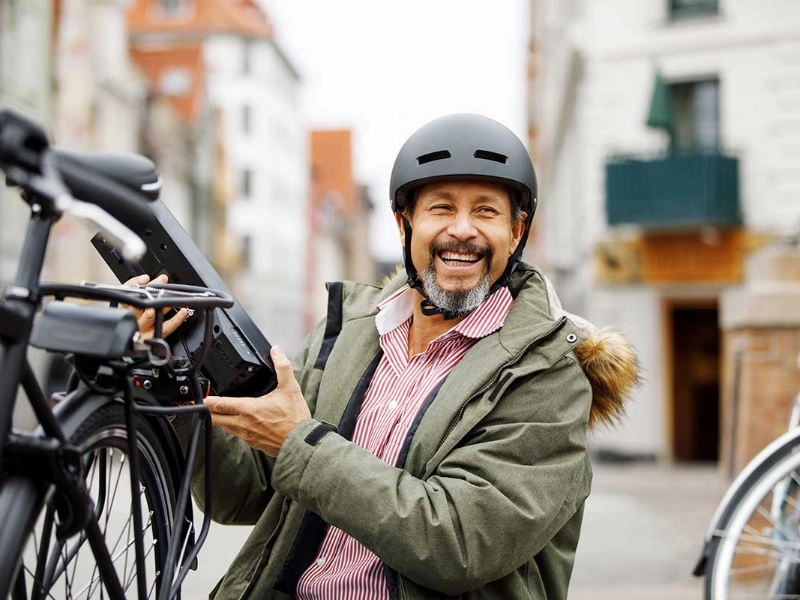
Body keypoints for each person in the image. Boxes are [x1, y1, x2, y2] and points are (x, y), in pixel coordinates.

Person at [133, 113, 639, 599]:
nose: (462, 229)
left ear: (517, 230)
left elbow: (460, 544)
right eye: (441, 208)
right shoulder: (349, 333)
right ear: (405, 225)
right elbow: (241, 494)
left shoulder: (548, 374)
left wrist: (299, 443)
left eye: (485, 211)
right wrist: (174, 370)